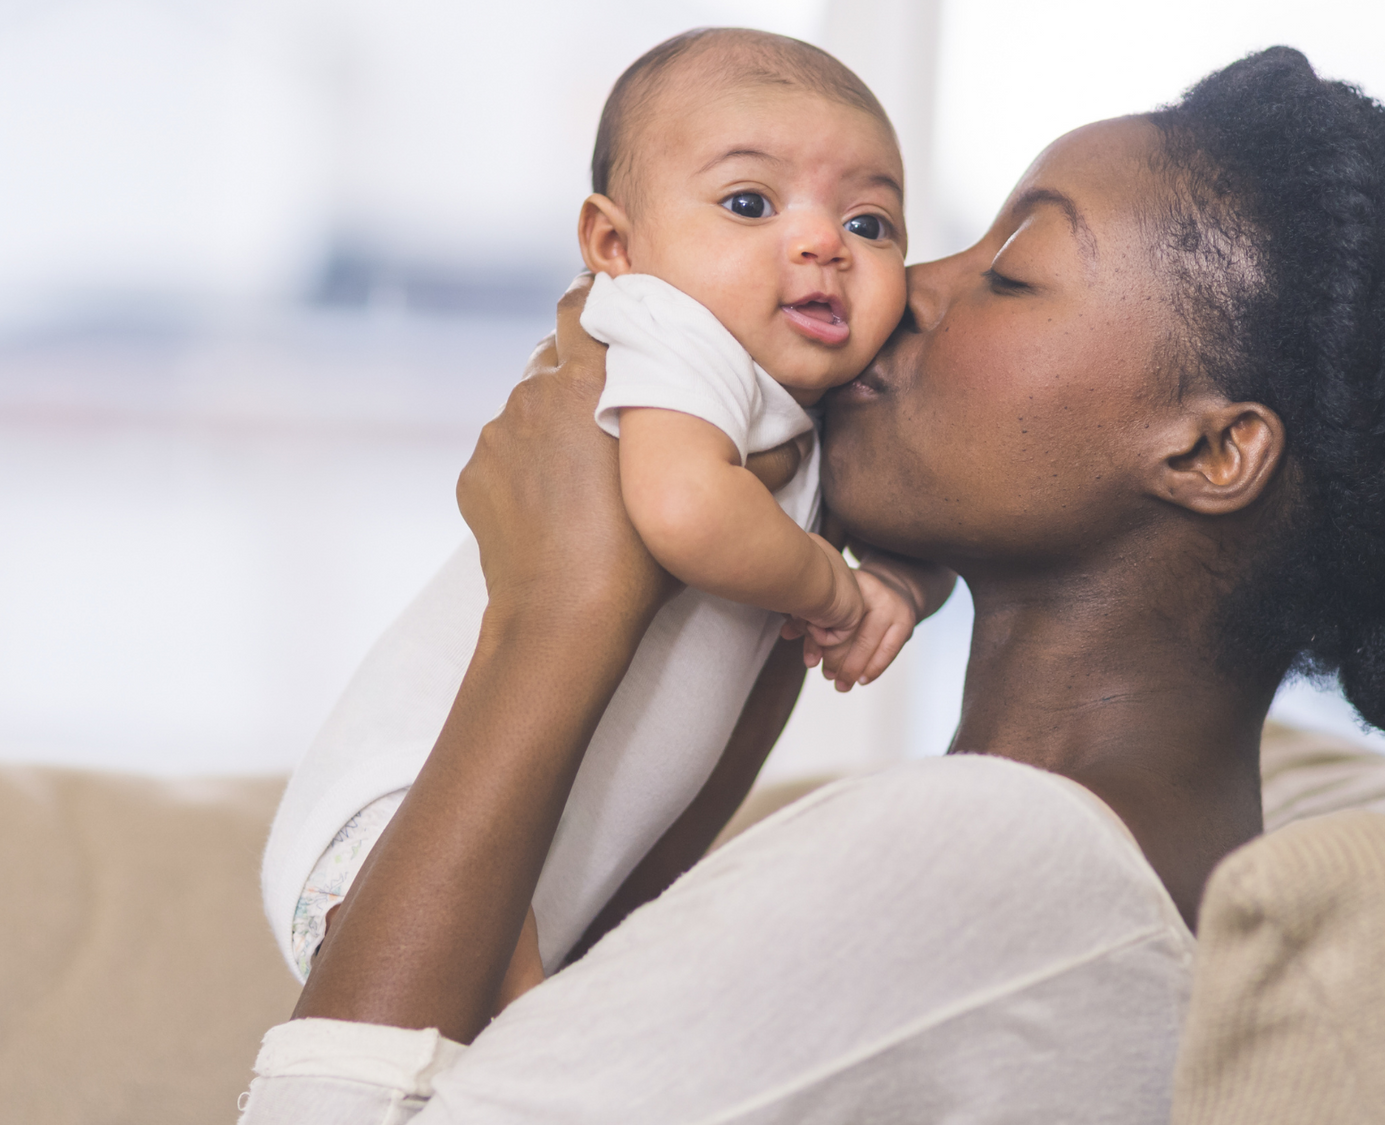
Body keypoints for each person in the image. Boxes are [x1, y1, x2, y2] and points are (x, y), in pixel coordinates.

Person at [240, 46, 1385, 1124]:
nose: (908, 290)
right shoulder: (1088, 873)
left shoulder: (1004, 861)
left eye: (1013, 271)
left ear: (1209, 449)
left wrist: (553, 618)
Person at [260, 28, 954, 990]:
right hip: (400, 813)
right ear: (615, 246)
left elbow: (940, 515)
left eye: (872, 224)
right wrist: (842, 595)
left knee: (535, 1055)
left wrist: (906, 584)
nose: (822, 243)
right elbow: (685, 508)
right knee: (500, 1057)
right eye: (749, 203)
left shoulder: (817, 399)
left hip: (554, 855)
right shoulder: (669, 328)